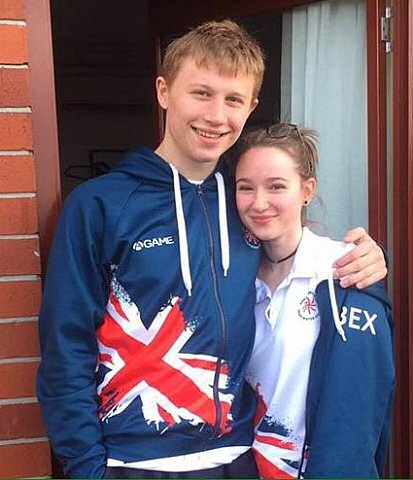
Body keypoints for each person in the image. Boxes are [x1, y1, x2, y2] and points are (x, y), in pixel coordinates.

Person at [36, 20, 387, 479]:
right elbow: (65, 346)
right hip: (129, 462)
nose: (216, 115)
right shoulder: (100, 204)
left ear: (251, 107)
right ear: (163, 91)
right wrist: (86, 467)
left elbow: (295, 253)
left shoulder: (243, 201)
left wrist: (366, 258)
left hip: (237, 461)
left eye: (233, 99)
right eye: (201, 93)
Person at [232, 123, 395, 478]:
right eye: (246, 188)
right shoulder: (229, 280)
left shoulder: (347, 274)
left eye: (276, 186)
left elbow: (359, 415)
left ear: (307, 190)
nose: (259, 203)